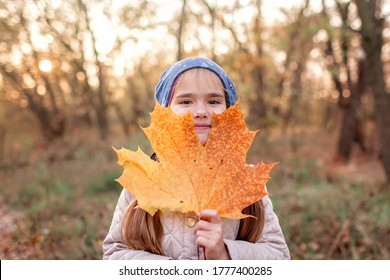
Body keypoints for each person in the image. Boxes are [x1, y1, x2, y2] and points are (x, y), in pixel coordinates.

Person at [102, 57, 290, 260]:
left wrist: (225, 254)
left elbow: (279, 256)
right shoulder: (144, 179)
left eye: (214, 101)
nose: (201, 112)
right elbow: (114, 254)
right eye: (185, 101)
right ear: (165, 113)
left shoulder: (245, 182)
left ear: (230, 113)